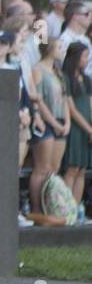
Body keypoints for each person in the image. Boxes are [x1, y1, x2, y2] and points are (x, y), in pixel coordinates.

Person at [30, 38, 69, 215]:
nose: (62, 50)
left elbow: (65, 99)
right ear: (50, 49)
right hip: (46, 122)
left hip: (61, 120)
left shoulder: (58, 72)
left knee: (54, 168)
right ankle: (36, 209)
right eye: (59, 47)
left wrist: (66, 121)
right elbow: (38, 100)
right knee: (42, 167)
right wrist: (53, 122)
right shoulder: (38, 70)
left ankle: (50, 208)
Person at [62, 41, 92, 214]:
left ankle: (76, 208)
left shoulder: (86, 78)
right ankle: (65, 209)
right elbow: (71, 109)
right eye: (85, 56)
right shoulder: (65, 78)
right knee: (72, 168)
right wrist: (88, 129)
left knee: (81, 169)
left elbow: (89, 103)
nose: (87, 59)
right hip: (76, 127)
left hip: (87, 126)